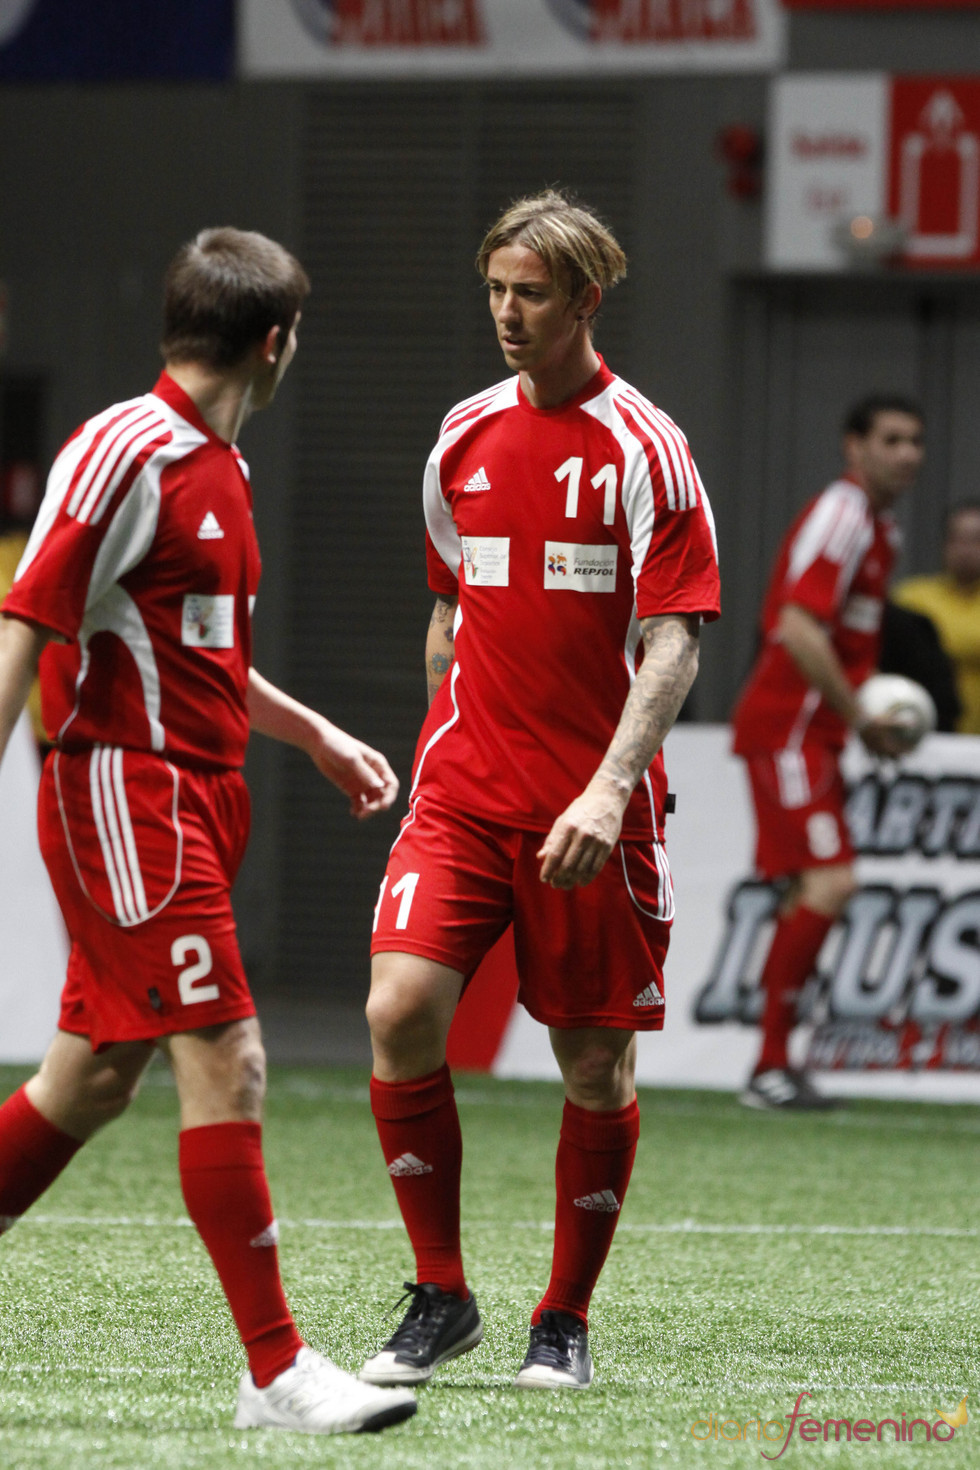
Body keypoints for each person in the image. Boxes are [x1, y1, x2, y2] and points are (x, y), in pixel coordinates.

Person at [0, 228, 416, 1436]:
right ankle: (274, 1369)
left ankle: (274, 1368)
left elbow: (198, 657)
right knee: (229, 1056)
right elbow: (28, 621)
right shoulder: (127, 452)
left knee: (88, 1083)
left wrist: (315, 735)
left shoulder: (214, 463)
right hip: (126, 798)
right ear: (277, 342)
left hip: (190, 794)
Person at [360, 191, 721, 1392]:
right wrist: (433, 746)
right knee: (397, 1013)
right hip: (462, 796)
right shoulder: (460, 436)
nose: (507, 315)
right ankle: (440, 1293)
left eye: (528, 294)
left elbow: (675, 641)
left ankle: (560, 1319)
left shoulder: (645, 449)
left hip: (591, 815)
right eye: (495, 293)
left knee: (589, 1063)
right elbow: (447, 611)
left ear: (583, 301)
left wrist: (609, 789)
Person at [731, 394, 925, 1111]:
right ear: (855, 446)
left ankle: (774, 1061)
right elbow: (797, 627)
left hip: (812, 732)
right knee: (830, 884)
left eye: (916, 442)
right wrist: (861, 717)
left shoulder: (881, 529)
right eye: (892, 439)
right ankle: (770, 1067)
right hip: (791, 727)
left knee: (807, 890)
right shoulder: (844, 514)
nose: (908, 453)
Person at [892, 500, 980, 734]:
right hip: (923, 734)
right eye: (957, 539)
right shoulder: (912, 597)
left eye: (975, 540)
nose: (965, 550)